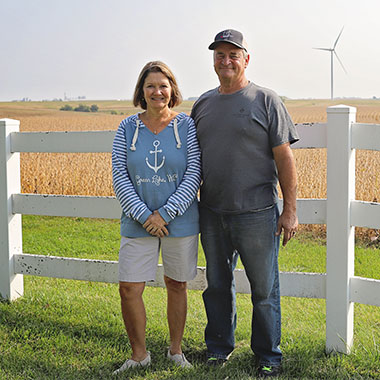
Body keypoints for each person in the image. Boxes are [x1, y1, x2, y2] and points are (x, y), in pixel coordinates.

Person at [190, 29, 299, 378]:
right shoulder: (202, 104)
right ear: (213, 61)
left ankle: (269, 356)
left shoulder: (266, 100)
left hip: (257, 213)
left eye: (233, 55)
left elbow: (285, 158)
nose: (226, 61)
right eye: (220, 55)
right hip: (212, 212)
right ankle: (218, 349)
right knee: (217, 286)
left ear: (246, 59)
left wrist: (290, 210)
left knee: (264, 290)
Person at [112, 61, 201, 374]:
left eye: (163, 85)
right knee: (129, 289)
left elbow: (194, 174)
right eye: (150, 86)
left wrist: (164, 213)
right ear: (142, 91)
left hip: (181, 221)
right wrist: (144, 215)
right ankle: (139, 355)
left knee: (177, 284)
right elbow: (120, 176)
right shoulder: (126, 128)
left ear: (172, 90)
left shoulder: (186, 126)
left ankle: (175, 350)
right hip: (137, 223)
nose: (157, 91)